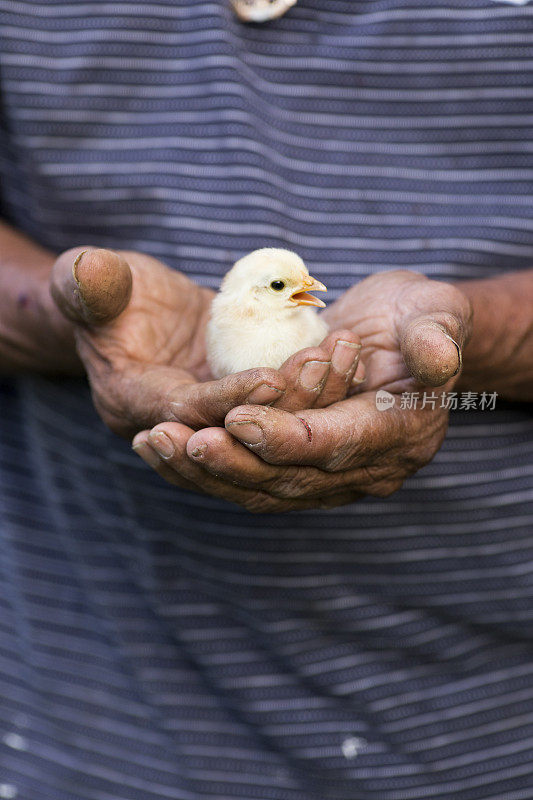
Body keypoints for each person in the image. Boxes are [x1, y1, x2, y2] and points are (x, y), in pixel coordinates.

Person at [0, 1, 532, 798]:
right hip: (90, 700)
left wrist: (469, 339)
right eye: (290, 287)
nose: (308, 293)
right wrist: (72, 318)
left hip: (484, 726)